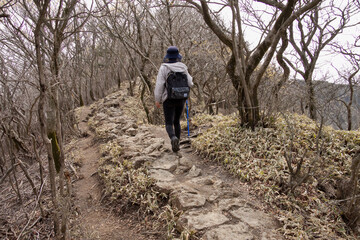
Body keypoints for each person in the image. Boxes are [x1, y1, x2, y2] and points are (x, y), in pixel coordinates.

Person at [154, 46, 193, 152]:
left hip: (168, 99)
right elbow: (190, 83)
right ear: (177, 57)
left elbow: (159, 85)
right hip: (181, 98)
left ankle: (173, 138)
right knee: (177, 121)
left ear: (168, 57)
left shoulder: (164, 68)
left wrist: (158, 99)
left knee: (168, 123)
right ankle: (177, 144)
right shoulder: (183, 67)